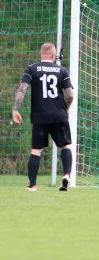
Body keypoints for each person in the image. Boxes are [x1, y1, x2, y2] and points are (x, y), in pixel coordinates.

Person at [12, 42, 75, 192]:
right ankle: (66, 175)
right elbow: (70, 94)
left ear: (41, 55)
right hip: (59, 115)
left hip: (40, 116)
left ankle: (32, 185)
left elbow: (22, 89)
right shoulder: (62, 70)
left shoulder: (31, 69)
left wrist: (15, 108)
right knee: (64, 146)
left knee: (36, 150)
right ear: (53, 56)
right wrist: (66, 108)